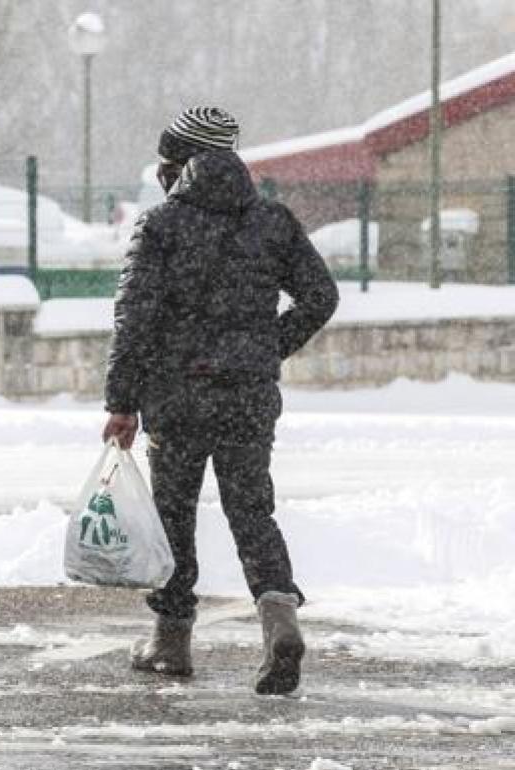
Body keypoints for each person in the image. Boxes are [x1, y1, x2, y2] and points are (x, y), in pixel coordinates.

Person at [102, 106, 339, 695]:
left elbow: (135, 320)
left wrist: (122, 402)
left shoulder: (162, 227)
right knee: (252, 513)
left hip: (178, 399)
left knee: (173, 515)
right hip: (247, 400)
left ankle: (171, 640)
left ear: (180, 163)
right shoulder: (273, 221)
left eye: (165, 160)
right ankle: (279, 618)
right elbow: (321, 295)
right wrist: (265, 349)